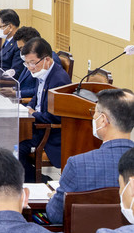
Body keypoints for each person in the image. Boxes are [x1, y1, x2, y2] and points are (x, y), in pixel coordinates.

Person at [46, 89, 134, 223]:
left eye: (94, 113)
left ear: (103, 120)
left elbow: (55, 216)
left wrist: (54, 197)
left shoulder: (78, 164)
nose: (93, 118)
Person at [17, 37, 72, 182]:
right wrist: (29, 107)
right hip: (36, 125)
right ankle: (33, 179)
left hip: (48, 132)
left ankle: (38, 181)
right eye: (26, 63)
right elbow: (37, 96)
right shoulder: (42, 71)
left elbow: (56, 117)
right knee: (8, 137)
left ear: (47, 59)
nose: (29, 67)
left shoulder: (59, 80)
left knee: (15, 149)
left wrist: (33, 113)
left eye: (32, 63)